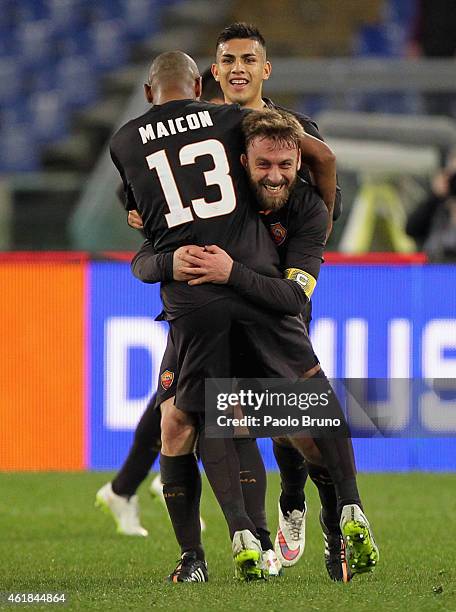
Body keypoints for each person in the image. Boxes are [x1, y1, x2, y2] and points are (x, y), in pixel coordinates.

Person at [109, 51, 348, 582]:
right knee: (191, 420)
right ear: (205, 79)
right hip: (210, 294)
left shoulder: (128, 140)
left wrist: (310, 237)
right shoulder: (227, 122)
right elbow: (143, 229)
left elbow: (321, 163)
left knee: (277, 425)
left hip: (240, 291)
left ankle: (306, 517)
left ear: (267, 70)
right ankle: (231, 547)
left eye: (249, 60)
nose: (238, 69)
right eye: (227, 60)